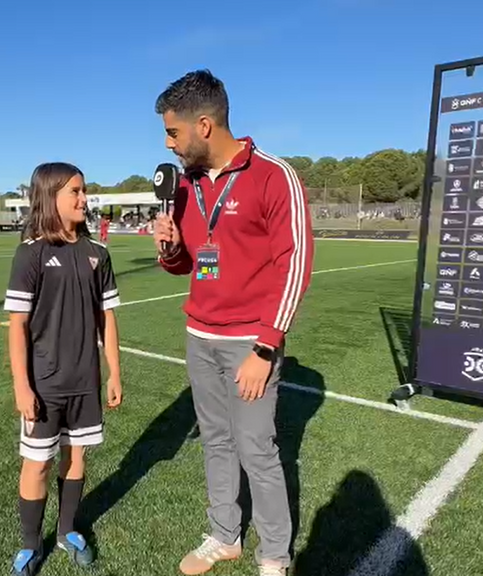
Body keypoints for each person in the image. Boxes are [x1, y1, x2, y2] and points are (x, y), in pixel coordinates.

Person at [152, 70, 314, 576]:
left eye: (173, 132)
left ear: (204, 125)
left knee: (257, 450)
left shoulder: (272, 175)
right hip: (199, 336)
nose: (167, 143)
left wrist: (265, 348)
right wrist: (171, 247)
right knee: (216, 442)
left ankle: (274, 556)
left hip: (249, 343)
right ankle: (224, 536)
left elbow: (297, 262)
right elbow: (192, 264)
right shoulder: (187, 187)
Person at [3, 162, 123, 576]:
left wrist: (114, 372)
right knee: (38, 463)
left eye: (84, 190)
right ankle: (30, 545)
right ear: (50, 196)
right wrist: (22, 386)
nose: (83, 199)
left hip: (84, 382)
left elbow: (107, 317)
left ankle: (67, 531)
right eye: (75, 191)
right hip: (44, 383)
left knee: (77, 457)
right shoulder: (30, 253)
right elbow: (17, 326)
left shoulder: (97, 254)